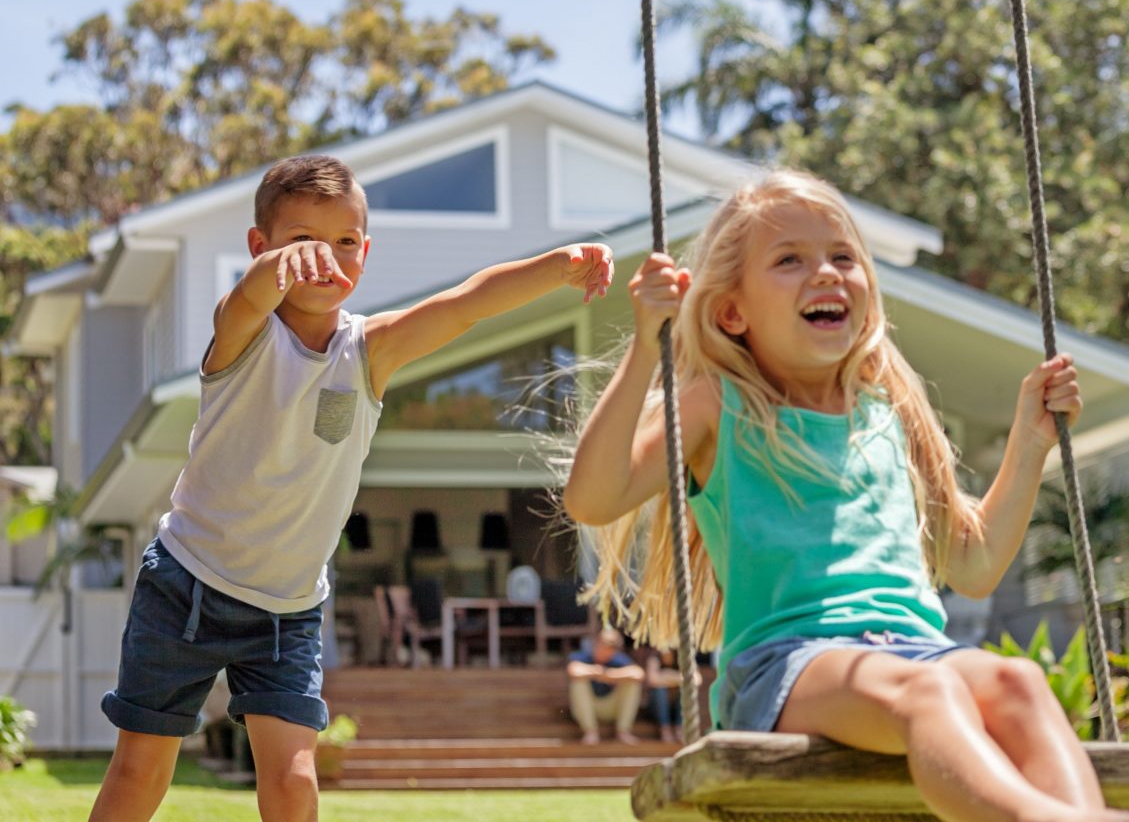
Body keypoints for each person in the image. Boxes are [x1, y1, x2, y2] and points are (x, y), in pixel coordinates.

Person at [564, 170, 1129, 822]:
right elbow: (593, 497)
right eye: (790, 261)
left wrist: (1029, 443)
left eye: (843, 257)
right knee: (930, 692)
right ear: (732, 311)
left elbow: (972, 565)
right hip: (787, 665)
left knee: (1018, 680)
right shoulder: (716, 405)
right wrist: (646, 346)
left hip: (917, 648)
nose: (828, 274)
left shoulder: (889, 413)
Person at [90, 154, 614, 822]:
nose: (323, 259)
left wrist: (560, 263)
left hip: (286, 611)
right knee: (140, 772)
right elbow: (247, 297)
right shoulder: (244, 334)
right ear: (261, 248)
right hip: (185, 586)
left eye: (343, 243)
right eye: (302, 242)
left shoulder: (370, 351)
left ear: (364, 253)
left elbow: (465, 306)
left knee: (294, 780)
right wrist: (276, 273)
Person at [566, 627, 645, 745]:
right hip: (589, 707)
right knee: (578, 682)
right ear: (597, 643)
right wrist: (597, 672)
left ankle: (623, 731)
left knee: (632, 684)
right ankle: (590, 732)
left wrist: (610, 675)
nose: (606, 649)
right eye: (604, 644)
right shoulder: (583, 656)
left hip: (611, 707)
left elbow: (639, 674)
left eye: (611, 646)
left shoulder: (619, 659)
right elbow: (573, 670)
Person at [645, 646, 686, 743]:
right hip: (656, 709)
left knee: (684, 690)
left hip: (675, 709)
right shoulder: (654, 658)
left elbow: (696, 680)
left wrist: (666, 676)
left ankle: (679, 730)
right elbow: (653, 680)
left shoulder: (682, 658)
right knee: (659, 690)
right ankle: (665, 730)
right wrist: (678, 679)